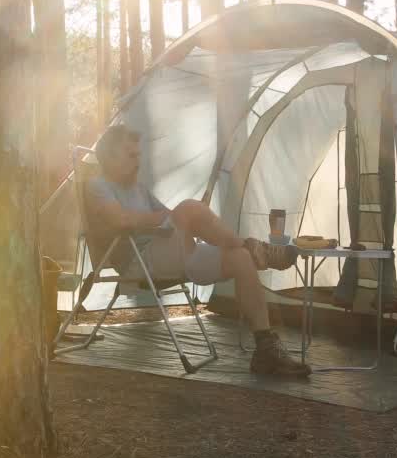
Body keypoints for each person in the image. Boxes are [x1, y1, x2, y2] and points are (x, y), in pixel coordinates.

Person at [86, 124, 311, 376]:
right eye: (132, 156)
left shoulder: (139, 189)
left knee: (241, 258)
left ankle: (265, 349)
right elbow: (122, 221)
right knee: (190, 208)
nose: (139, 162)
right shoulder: (98, 185)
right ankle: (251, 244)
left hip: (167, 254)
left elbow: (169, 218)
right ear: (110, 156)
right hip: (137, 263)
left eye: (139, 155)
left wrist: (179, 218)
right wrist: (174, 216)